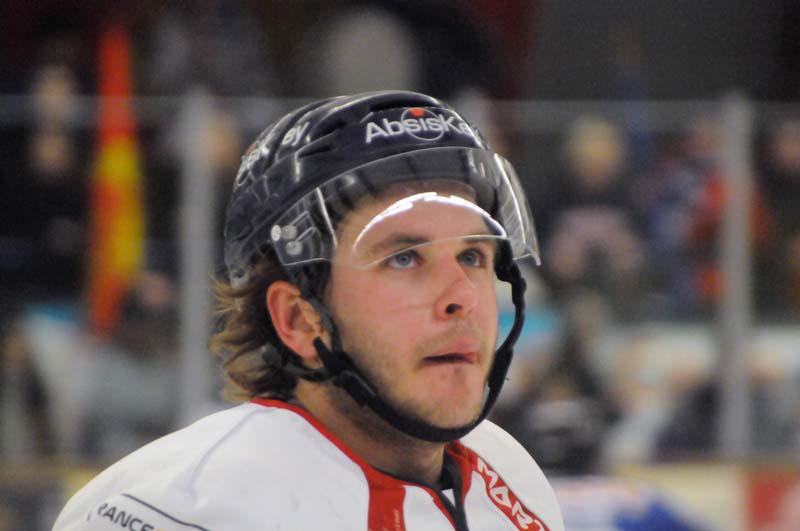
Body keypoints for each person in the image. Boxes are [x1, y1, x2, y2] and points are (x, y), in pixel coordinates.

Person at [53, 91, 565, 530]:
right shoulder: (181, 509)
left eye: (472, 256)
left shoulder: (510, 474)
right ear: (299, 320)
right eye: (405, 258)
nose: (463, 296)